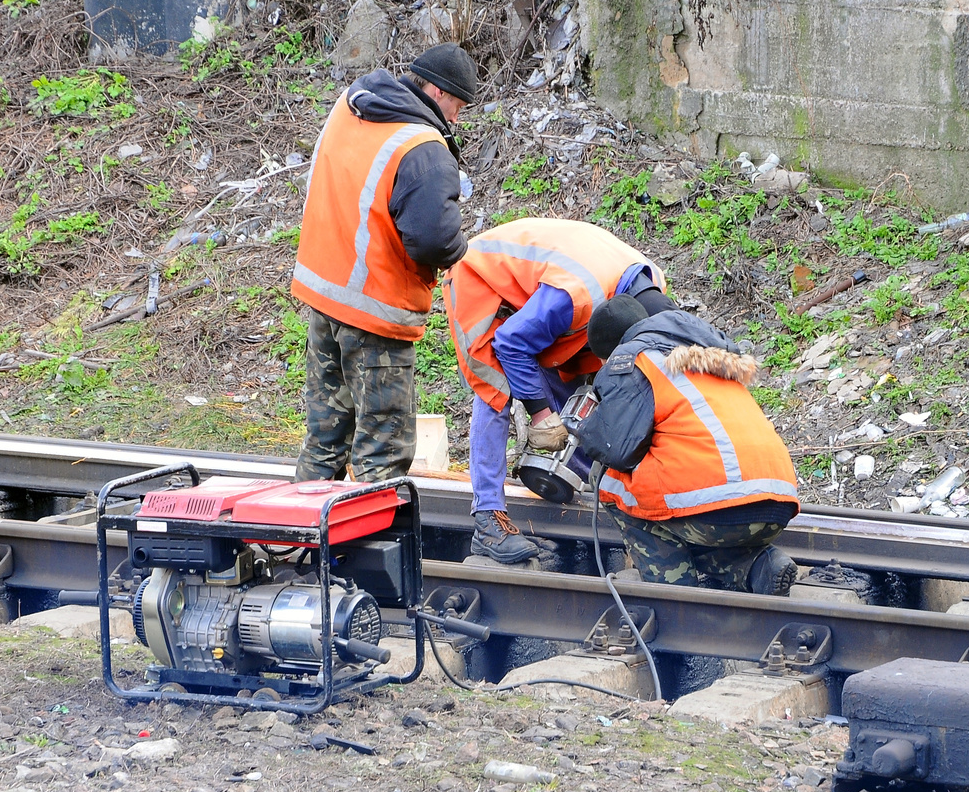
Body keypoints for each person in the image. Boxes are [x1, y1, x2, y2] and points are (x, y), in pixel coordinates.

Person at [290, 43, 477, 484]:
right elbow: (434, 239)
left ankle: (297, 543)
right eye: (456, 105)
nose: (456, 118)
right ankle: (369, 550)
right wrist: (460, 249)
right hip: (375, 311)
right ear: (434, 90)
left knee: (324, 436)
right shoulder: (423, 147)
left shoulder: (353, 106)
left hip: (325, 295)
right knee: (383, 450)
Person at [442, 218, 668, 563]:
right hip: (483, 282)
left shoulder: (653, 286)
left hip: (543, 291)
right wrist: (542, 415)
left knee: (574, 377)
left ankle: (579, 483)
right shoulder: (574, 295)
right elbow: (511, 342)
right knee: (495, 388)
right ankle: (487, 520)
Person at [571, 293, 800, 595]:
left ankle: (671, 587)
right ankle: (755, 567)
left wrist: (585, 429)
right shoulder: (706, 351)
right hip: (776, 503)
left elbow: (617, 449)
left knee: (610, 481)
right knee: (679, 518)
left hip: (716, 507)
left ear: (608, 350)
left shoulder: (633, 358)